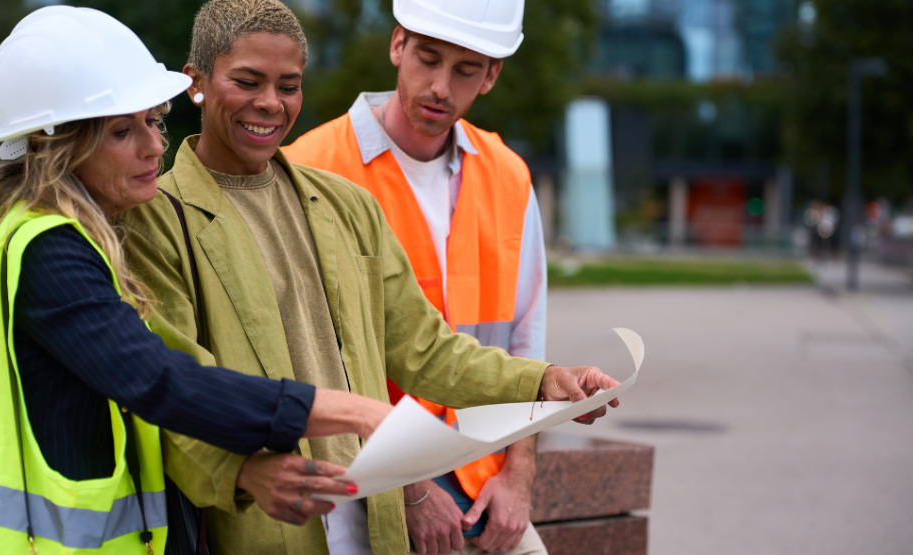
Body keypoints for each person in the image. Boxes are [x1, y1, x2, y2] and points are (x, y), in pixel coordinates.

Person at [117, 2, 621, 555]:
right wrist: (243, 473)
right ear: (197, 82)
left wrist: (541, 381)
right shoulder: (158, 218)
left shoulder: (346, 205)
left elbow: (425, 351)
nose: (269, 103)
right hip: (267, 525)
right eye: (247, 81)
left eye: (289, 85)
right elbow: (173, 392)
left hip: (374, 523)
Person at [0, 7, 392, 555]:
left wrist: (243, 471)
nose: (154, 145)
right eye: (121, 130)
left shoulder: (60, 237)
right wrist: (353, 411)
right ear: (58, 146)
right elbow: (159, 381)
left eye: (154, 120)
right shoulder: (49, 251)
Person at [284, 1, 548, 553]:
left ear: (492, 75)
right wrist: (410, 489)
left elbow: (526, 345)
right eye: (428, 59)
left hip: (483, 481)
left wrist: (518, 476)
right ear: (398, 45)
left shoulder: (509, 177)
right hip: (362, 479)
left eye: (466, 70)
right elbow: (307, 359)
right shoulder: (310, 169)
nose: (440, 88)